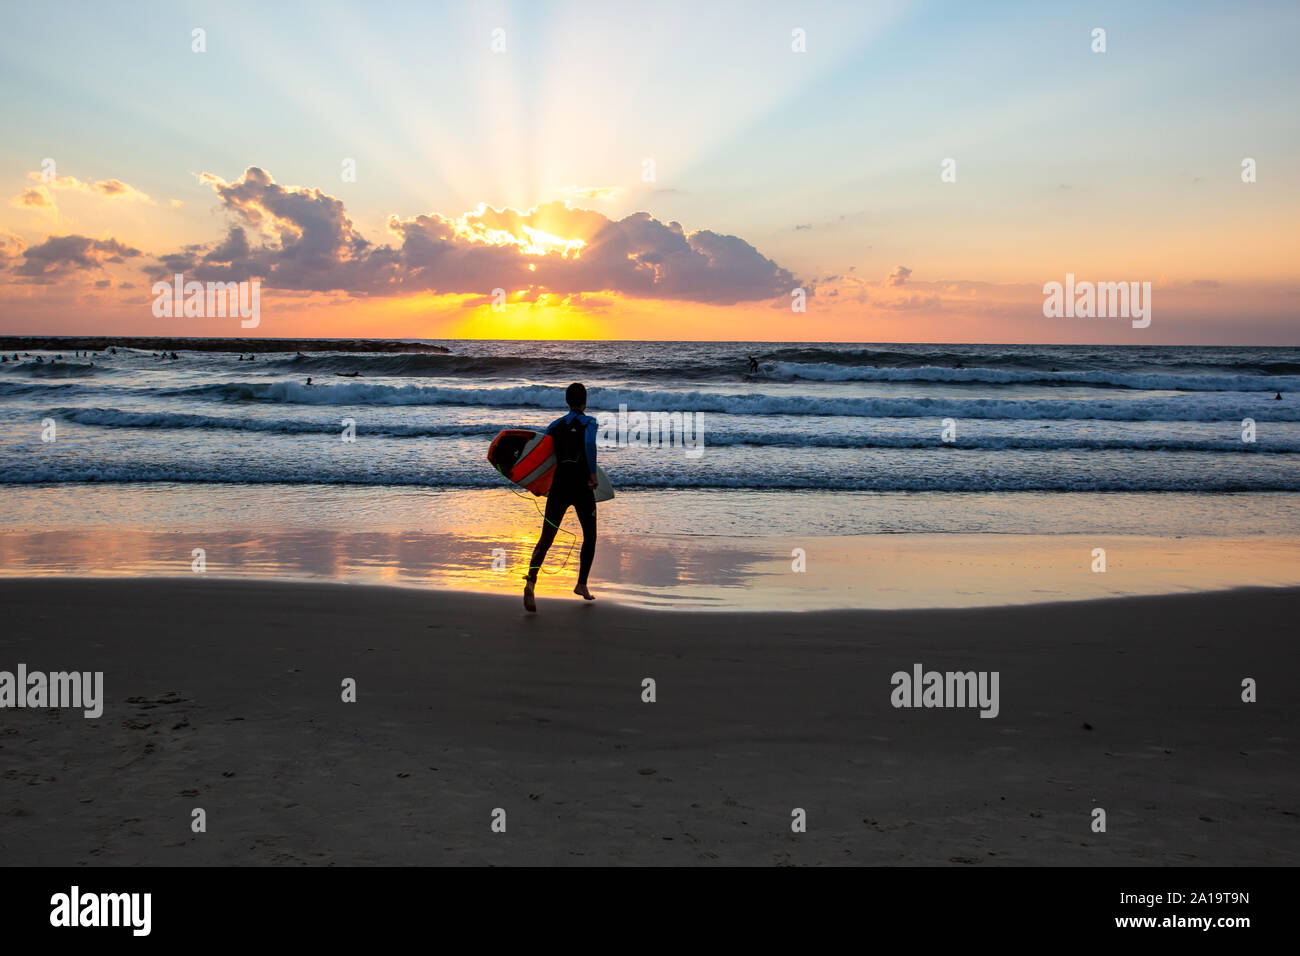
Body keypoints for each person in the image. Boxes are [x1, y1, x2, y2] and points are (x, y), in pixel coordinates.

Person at [523, 382, 599, 612]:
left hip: (559, 486)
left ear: (567, 401)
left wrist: (536, 483)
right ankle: (581, 584)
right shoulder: (590, 422)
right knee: (590, 535)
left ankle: (530, 582)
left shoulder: (554, 425)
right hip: (582, 486)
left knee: (546, 538)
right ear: (585, 401)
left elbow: (543, 457)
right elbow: (588, 444)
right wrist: (593, 474)